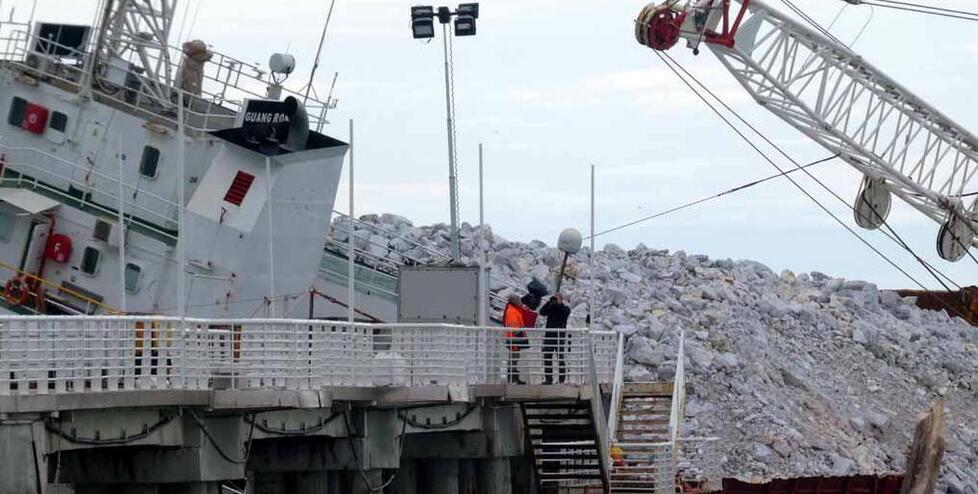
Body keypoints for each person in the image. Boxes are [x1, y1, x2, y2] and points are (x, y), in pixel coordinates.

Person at [540, 293, 571, 384]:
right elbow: (542, 312)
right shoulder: (551, 307)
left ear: (561, 299)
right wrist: (550, 302)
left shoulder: (565, 309)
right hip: (549, 336)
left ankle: (561, 379)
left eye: (556, 298)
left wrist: (558, 303)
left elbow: (563, 313)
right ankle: (548, 379)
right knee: (547, 358)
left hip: (559, 337)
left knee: (560, 359)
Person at [503, 294, 528, 384]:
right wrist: (520, 333)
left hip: (514, 337)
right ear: (515, 301)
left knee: (515, 357)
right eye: (518, 301)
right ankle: (513, 378)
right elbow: (513, 326)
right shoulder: (512, 311)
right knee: (514, 357)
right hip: (514, 338)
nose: (520, 302)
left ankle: (513, 377)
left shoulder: (513, 310)